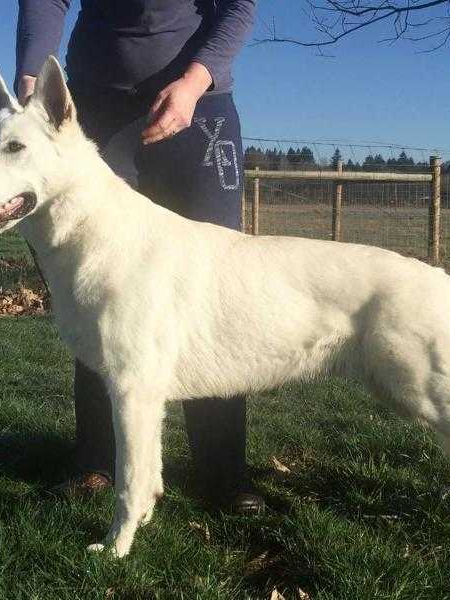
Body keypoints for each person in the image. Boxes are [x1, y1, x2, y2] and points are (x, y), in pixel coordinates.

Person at [14, 0, 263, 514]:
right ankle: (98, 465)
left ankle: (222, 473)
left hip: (197, 107)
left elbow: (237, 5)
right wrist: (30, 71)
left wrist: (195, 82)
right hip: (98, 109)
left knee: (215, 294)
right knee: (97, 292)